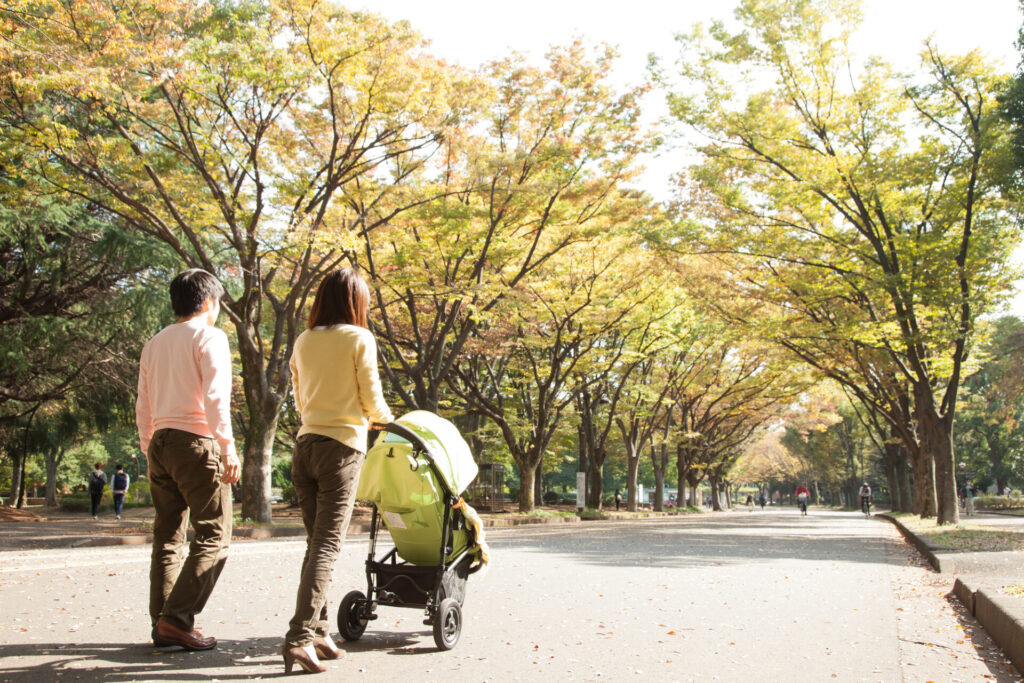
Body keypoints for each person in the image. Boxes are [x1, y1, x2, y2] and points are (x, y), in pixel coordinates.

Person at [283, 268, 394, 674]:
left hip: (305, 446)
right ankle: (299, 636)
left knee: (316, 545)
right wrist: (386, 421)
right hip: (341, 450)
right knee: (327, 547)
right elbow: (371, 395)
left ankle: (319, 631)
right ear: (355, 302)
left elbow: (298, 396)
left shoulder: (304, 339)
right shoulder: (359, 338)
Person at [136, 269, 241, 652]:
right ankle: (176, 620)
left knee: (167, 537)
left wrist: (149, 447)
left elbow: (143, 403)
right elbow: (215, 399)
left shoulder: (155, 342)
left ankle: (161, 622)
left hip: (161, 443)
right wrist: (227, 448)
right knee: (214, 533)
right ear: (209, 302)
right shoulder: (210, 336)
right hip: (195, 441)